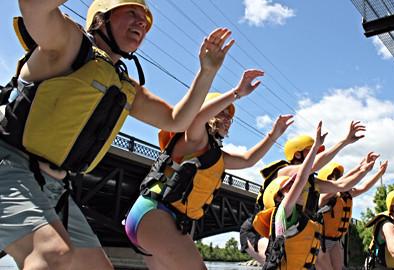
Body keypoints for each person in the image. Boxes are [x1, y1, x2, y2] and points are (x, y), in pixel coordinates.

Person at [0, 0, 233, 269]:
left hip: (55, 186)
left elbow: (176, 119)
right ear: (101, 19)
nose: (141, 23)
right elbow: (33, 6)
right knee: (51, 254)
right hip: (8, 165)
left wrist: (207, 72)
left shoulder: (125, 85)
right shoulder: (67, 42)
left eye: (145, 21)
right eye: (131, 13)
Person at [124, 70, 294, 269]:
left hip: (155, 219)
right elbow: (196, 119)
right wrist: (236, 93)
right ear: (208, 114)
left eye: (230, 116)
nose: (228, 118)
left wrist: (273, 135)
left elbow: (248, 160)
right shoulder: (195, 138)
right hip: (156, 214)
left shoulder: (215, 155)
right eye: (223, 112)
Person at [240, 121, 369, 263]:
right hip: (257, 232)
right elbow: (312, 165)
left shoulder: (311, 183)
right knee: (278, 261)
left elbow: (342, 185)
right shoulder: (284, 171)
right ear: (297, 155)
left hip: (289, 232)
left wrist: (365, 170)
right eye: (312, 150)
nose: (317, 153)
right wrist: (344, 141)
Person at [315, 159, 388, 270]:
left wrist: (379, 173)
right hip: (320, 241)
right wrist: (361, 168)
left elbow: (364, 187)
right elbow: (339, 185)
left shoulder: (347, 194)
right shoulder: (324, 197)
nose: (340, 179)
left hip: (335, 241)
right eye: (335, 177)